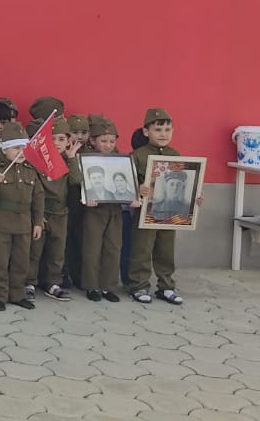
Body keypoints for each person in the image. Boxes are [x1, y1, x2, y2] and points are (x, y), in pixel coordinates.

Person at [129, 107, 200, 306]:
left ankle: (166, 286)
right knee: (142, 250)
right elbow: (128, 182)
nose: (163, 134)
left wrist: (194, 196)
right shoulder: (137, 155)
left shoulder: (175, 155)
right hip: (145, 212)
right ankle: (139, 285)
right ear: (146, 131)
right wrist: (138, 189)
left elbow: (185, 181)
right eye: (158, 130)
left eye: (167, 130)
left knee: (166, 250)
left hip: (170, 213)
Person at [0, 122, 44, 311]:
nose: (20, 152)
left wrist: (38, 223)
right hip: (1, 223)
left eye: (23, 148)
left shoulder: (31, 172)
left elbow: (38, 198)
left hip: (24, 223)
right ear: (5, 150)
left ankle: (17, 294)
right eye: (16, 148)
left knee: (21, 262)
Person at [72, 117, 128, 302]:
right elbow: (77, 181)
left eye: (112, 141)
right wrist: (85, 195)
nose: (108, 145)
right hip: (94, 211)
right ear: (93, 140)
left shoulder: (121, 159)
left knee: (113, 247)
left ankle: (108, 286)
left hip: (115, 210)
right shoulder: (85, 158)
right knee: (92, 248)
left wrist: (132, 196)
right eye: (103, 141)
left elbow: (126, 182)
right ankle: (92, 285)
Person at [28, 117, 81, 302]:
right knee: (34, 250)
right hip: (42, 212)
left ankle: (52, 282)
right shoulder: (38, 162)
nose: (57, 143)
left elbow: (76, 181)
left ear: (68, 141)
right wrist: (37, 215)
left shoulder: (68, 161)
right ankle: (29, 282)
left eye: (61, 139)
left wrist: (72, 158)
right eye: (52, 139)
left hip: (60, 213)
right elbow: (33, 190)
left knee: (57, 251)